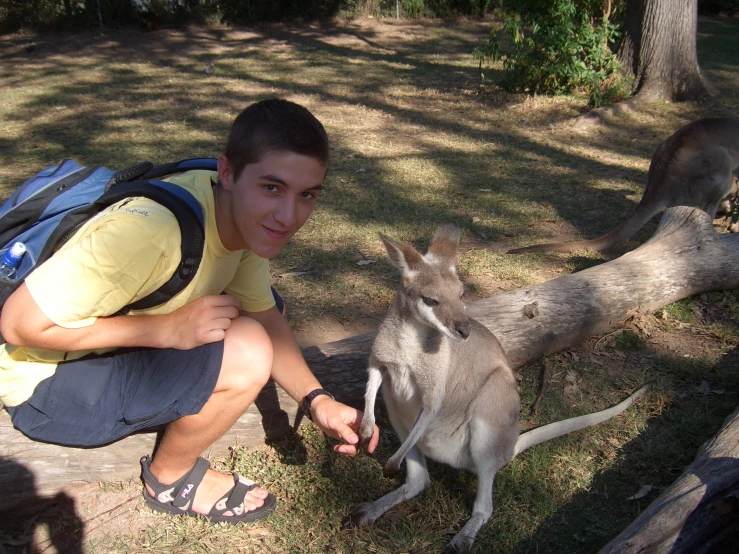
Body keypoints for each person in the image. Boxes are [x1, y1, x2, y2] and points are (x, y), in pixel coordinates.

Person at [0, 98, 380, 524]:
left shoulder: (237, 216)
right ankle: (170, 478)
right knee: (248, 348)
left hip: (92, 356)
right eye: (271, 188)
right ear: (228, 172)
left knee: (262, 314)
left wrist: (318, 401)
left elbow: (267, 317)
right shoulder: (148, 234)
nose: (289, 216)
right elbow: (18, 325)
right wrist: (164, 330)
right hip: (42, 386)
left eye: (307, 194)